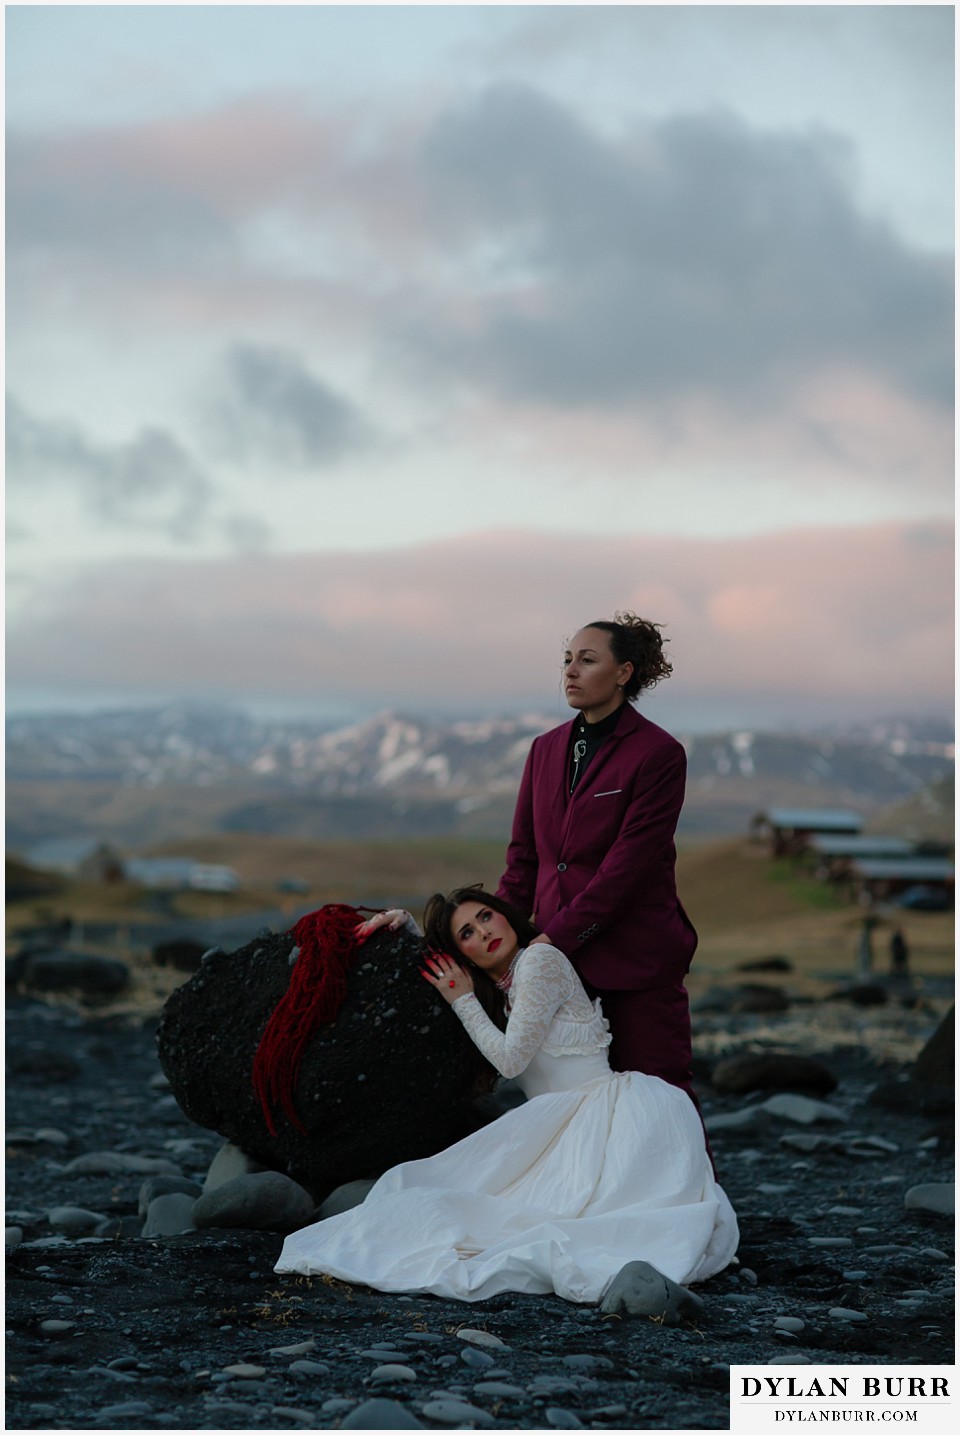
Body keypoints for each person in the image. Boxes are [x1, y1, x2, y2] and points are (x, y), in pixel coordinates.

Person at [274, 888, 738, 1306]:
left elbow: (511, 1060)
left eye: (487, 916)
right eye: (468, 933)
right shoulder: (507, 983)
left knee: (510, 1216)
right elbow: (454, 974)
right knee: (427, 1190)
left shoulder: (540, 961)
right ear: (465, 955)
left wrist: (463, 1002)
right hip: (559, 1122)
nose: (485, 932)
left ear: (508, 916)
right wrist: (411, 930)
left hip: (606, 1115)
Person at [497, 611, 700, 1104]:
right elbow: (525, 858)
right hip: (556, 964)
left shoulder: (658, 753)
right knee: (570, 1103)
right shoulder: (544, 750)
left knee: (659, 1096)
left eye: (587, 660)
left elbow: (627, 869)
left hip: (636, 959)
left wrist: (550, 942)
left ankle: (688, 1185)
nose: (570, 671)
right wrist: (494, 934)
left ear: (624, 672)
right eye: (567, 659)